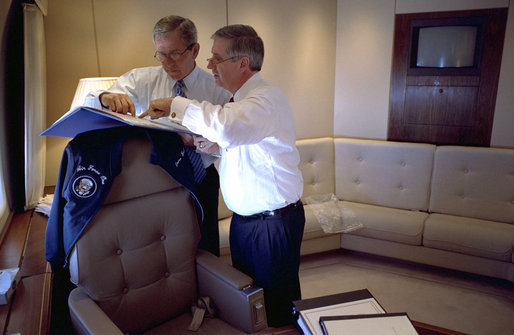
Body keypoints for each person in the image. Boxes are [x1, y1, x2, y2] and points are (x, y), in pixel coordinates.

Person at [140, 24, 305, 328]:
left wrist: (173, 104)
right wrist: (214, 146)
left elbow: (227, 126)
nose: (210, 66)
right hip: (248, 223)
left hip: (271, 223)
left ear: (243, 63)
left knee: (277, 311)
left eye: (217, 59)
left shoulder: (264, 100)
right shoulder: (240, 103)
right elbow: (239, 143)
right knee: (251, 303)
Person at [85, 15, 231, 256]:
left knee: (205, 248)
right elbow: (90, 103)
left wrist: (196, 141)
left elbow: (230, 142)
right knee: (164, 252)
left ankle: (210, 293)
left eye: (175, 53)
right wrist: (104, 97)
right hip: (155, 179)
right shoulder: (140, 79)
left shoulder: (218, 88)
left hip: (200, 178)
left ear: (195, 50)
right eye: (161, 54)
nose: (167, 63)